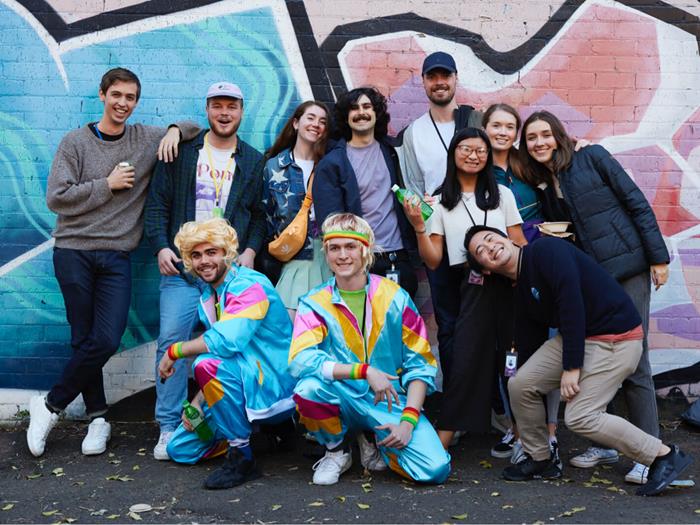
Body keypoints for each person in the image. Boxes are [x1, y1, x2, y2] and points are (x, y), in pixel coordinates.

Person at [27, 67, 199, 458]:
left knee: (105, 338)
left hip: (117, 254)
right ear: (102, 95)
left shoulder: (142, 139)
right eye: (117, 95)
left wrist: (173, 129)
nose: (123, 103)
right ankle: (99, 418)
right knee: (83, 338)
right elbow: (57, 197)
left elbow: (192, 128)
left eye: (131, 97)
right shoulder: (75, 142)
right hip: (73, 251)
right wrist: (107, 185)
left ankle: (50, 404)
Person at [464, 226, 693, 496]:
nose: (489, 247)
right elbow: (530, 342)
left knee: (580, 416)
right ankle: (541, 459)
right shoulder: (520, 286)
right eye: (481, 250)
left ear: (507, 238)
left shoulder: (546, 250)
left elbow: (572, 304)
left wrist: (571, 368)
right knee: (520, 384)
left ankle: (663, 456)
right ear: (485, 269)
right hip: (582, 337)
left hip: (615, 338)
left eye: (491, 238)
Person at [519, 110, 670, 484]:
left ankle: (651, 452)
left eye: (545, 135)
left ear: (559, 135)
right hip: (595, 281)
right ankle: (606, 444)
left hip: (629, 267)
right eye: (532, 138)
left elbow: (634, 201)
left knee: (636, 360)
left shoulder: (592, 157)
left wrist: (659, 256)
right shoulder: (545, 184)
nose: (539, 142)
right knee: (595, 356)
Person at [144, 82, 266, 460]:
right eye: (217, 106)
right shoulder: (181, 152)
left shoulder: (254, 159)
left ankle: (230, 426)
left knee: (228, 350)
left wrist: (249, 251)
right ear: (207, 110)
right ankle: (168, 426)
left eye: (232, 106)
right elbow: (157, 205)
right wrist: (162, 246)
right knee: (172, 342)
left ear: (241, 111)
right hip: (183, 270)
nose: (224, 113)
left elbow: (260, 216)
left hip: (228, 276)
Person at [289, 213, 450, 485]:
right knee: (307, 390)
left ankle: (376, 441)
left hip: (390, 401)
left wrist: (408, 422)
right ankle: (337, 449)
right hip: (341, 394)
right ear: (326, 253)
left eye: (350, 247)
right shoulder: (314, 302)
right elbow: (300, 360)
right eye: (334, 248)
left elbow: (420, 365)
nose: (342, 255)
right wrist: (363, 371)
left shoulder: (396, 298)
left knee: (434, 470)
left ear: (366, 251)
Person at [402, 127, 526, 449]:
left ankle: (520, 430)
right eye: (466, 149)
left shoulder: (504, 195)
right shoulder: (441, 202)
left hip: (505, 284)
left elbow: (519, 242)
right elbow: (433, 260)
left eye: (480, 150)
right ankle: (456, 426)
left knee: (510, 358)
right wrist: (419, 227)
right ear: (453, 155)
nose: (474, 155)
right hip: (466, 288)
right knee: (465, 357)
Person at [158, 218, 296, 489]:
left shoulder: (249, 284)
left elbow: (228, 341)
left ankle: (241, 457)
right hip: (241, 380)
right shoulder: (210, 296)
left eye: (211, 252)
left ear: (227, 253)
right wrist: (198, 401)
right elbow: (227, 357)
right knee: (179, 449)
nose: (203, 261)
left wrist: (175, 351)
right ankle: (260, 434)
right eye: (195, 255)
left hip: (274, 384)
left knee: (204, 364)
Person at [395, 52, 482, 424]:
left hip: (482, 234)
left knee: (487, 320)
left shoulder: (475, 119)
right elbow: (412, 188)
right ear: (424, 82)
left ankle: (492, 405)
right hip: (440, 239)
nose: (439, 82)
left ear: (456, 79)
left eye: (445, 75)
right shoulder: (413, 133)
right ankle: (456, 408)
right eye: (433, 77)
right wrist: (425, 219)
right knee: (448, 323)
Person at [482, 103, 560, 461]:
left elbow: (561, 178)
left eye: (509, 126)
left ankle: (550, 431)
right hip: (498, 268)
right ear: (484, 128)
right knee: (508, 348)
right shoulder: (476, 166)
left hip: (539, 262)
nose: (502, 132)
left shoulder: (527, 165)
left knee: (545, 343)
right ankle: (516, 428)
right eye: (496, 125)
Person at [313, 87, 418, 297]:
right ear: (346, 117)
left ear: (376, 113)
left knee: (399, 327)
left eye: (367, 106)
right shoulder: (332, 164)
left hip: (398, 258)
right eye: (354, 108)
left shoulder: (394, 152)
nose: (361, 112)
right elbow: (330, 222)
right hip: (358, 262)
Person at [262, 101, 332, 320]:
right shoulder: (274, 166)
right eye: (310, 118)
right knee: (290, 329)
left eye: (322, 121)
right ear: (295, 123)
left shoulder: (330, 164)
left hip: (326, 255)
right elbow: (265, 211)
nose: (316, 124)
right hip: (292, 259)